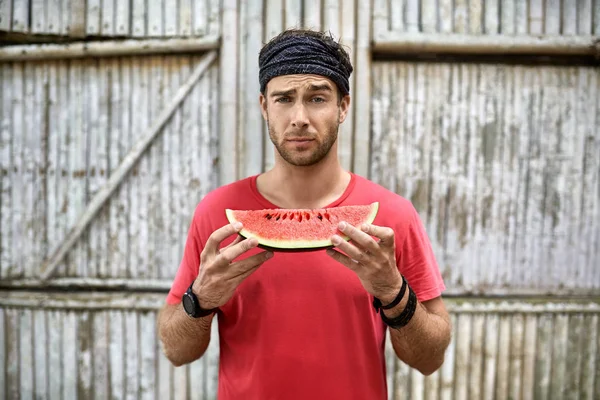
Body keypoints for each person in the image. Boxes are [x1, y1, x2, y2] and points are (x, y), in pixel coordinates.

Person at [158, 28, 452, 399]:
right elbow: (176, 350)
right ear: (264, 106)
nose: (299, 117)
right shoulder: (218, 212)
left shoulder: (391, 216)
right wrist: (199, 300)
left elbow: (430, 360)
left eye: (317, 98)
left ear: (343, 106)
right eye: (284, 98)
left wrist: (394, 293)